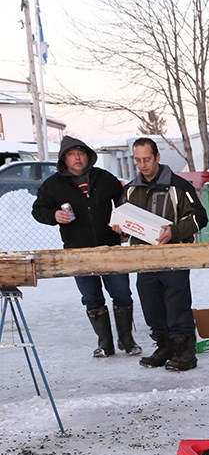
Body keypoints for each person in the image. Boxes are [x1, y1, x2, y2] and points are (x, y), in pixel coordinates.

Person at [31, 136, 141, 358]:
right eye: (72, 154)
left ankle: (127, 341)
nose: (78, 158)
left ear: (88, 155)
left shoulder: (104, 178)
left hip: (109, 247)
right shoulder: (53, 185)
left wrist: (124, 227)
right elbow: (38, 210)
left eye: (81, 153)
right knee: (91, 297)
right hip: (77, 251)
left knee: (122, 293)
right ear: (64, 159)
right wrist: (54, 215)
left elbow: (123, 203)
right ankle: (105, 344)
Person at [122, 137, 207, 372]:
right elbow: (125, 221)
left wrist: (175, 231)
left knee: (176, 303)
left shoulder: (179, 186)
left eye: (147, 159)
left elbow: (200, 218)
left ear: (157, 157)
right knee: (151, 304)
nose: (143, 165)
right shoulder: (130, 190)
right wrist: (120, 228)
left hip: (174, 256)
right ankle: (164, 347)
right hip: (144, 258)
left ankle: (185, 352)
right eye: (138, 160)